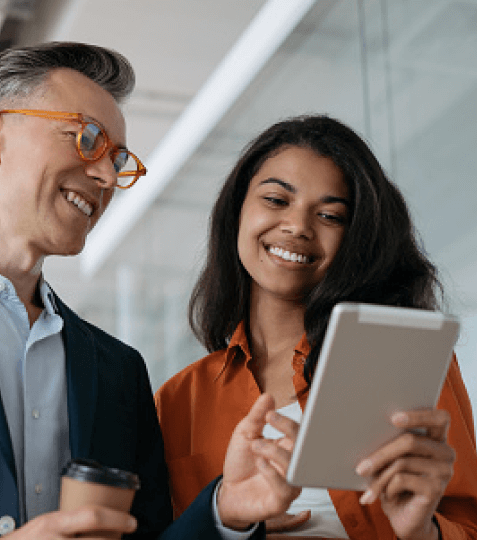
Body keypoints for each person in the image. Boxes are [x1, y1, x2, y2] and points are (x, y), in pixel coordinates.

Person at [0, 42, 295, 540]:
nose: (107, 176)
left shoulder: (118, 373)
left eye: (118, 159)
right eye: (86, 138)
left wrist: (226, 511)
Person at [155, 115, 477, 539]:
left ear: (356, 239)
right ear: (236, 212)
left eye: (329, 215)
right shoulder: (179, 400)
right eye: (275, 200)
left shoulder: (406, 364)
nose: (298, 227)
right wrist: (230, 521)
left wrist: (421, 531)